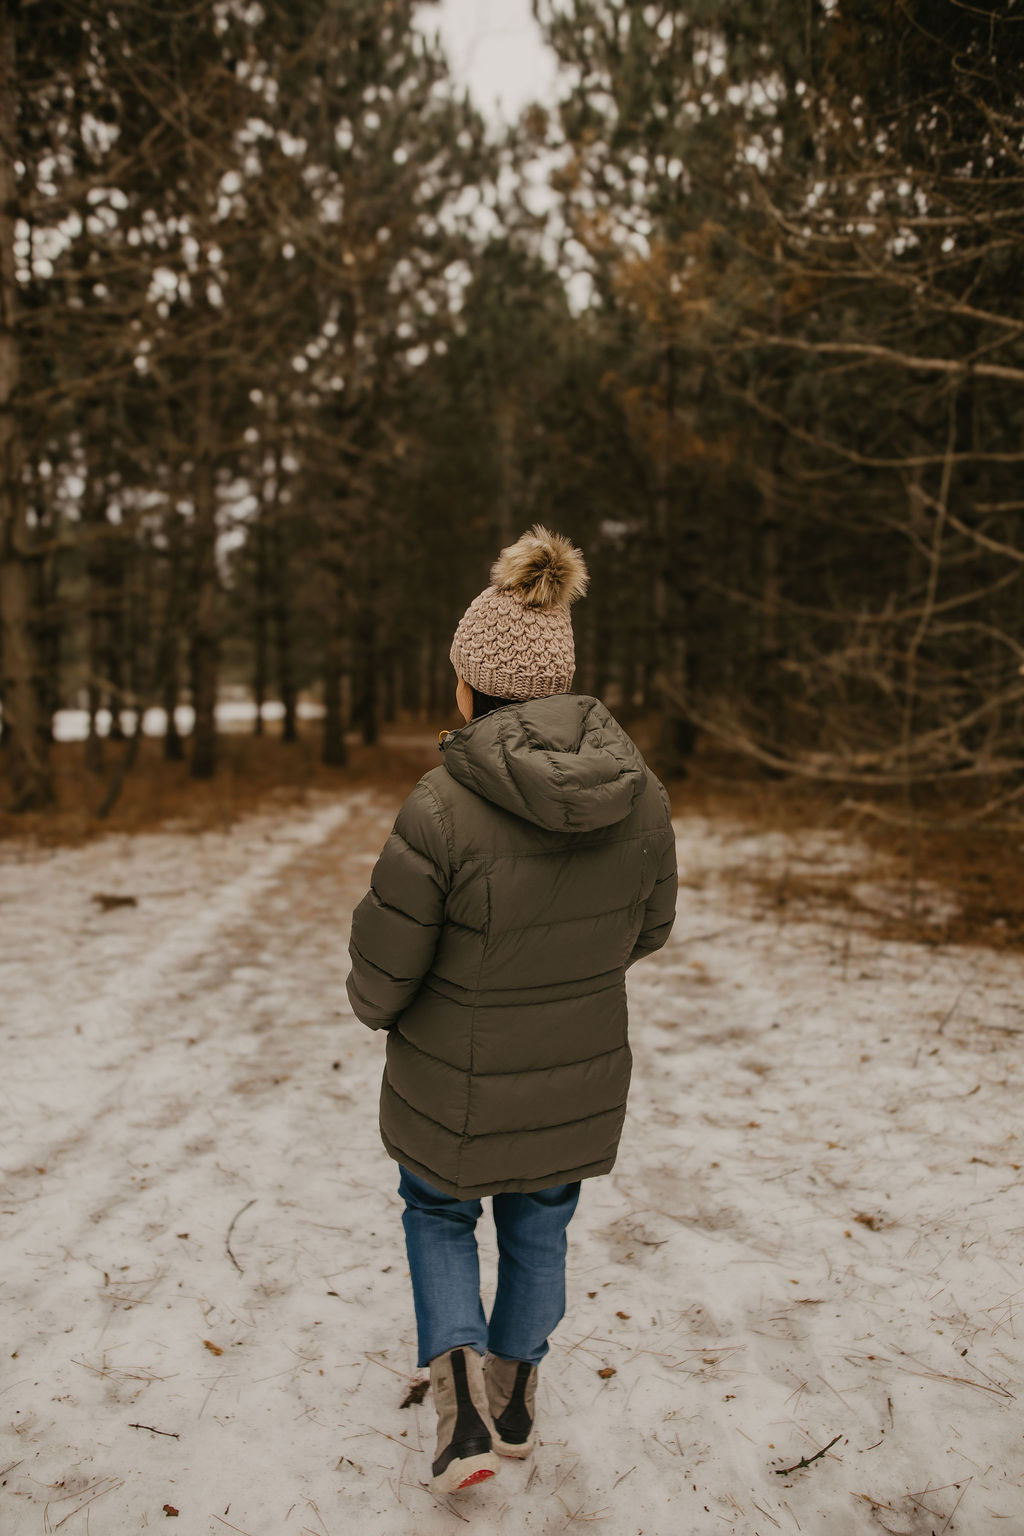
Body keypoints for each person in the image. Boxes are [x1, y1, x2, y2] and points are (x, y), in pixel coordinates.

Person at [345, 524, 677, 1494]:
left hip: (453, 1077)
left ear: (471, 686)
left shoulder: (442, 806)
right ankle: (519, 1387)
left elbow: (388, 955)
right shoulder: (640, 796)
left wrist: (374, 1006)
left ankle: (460, 1414)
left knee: (438, 1211)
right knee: (541, 1218)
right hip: (574, 1072)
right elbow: (647, 930)